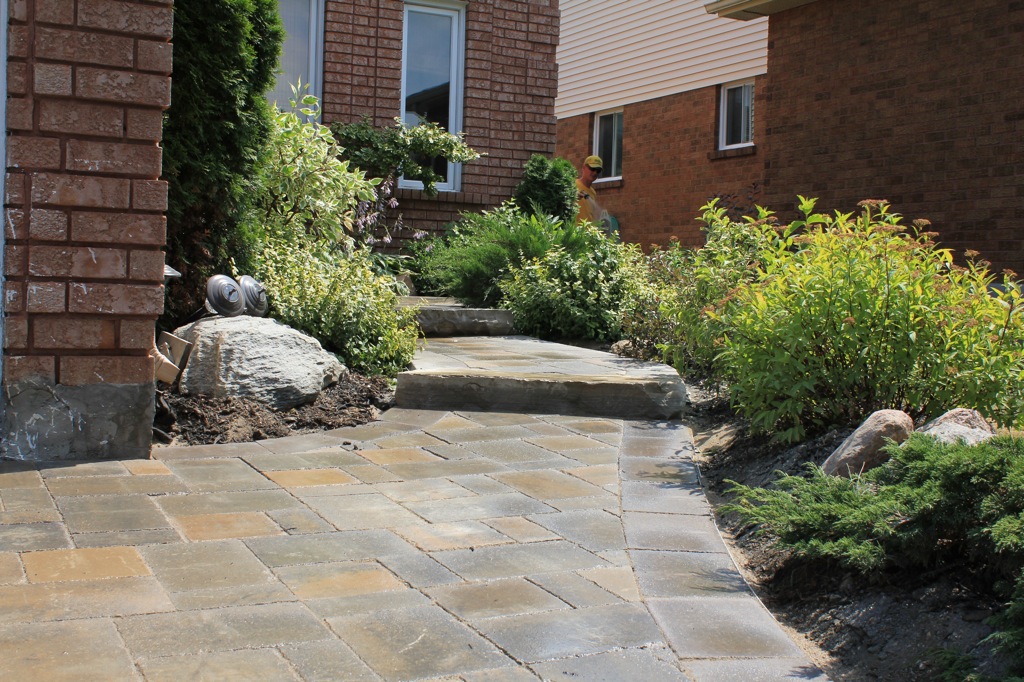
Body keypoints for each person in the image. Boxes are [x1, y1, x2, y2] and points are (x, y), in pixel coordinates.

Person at [576, 155, 605, 226]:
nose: (595, 173)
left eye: (598, 170)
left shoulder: (593, 192)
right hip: (574, 233)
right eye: (592, 169)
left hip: (587, 234)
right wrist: (573, 198)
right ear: (583, 167)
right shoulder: (573, 184)